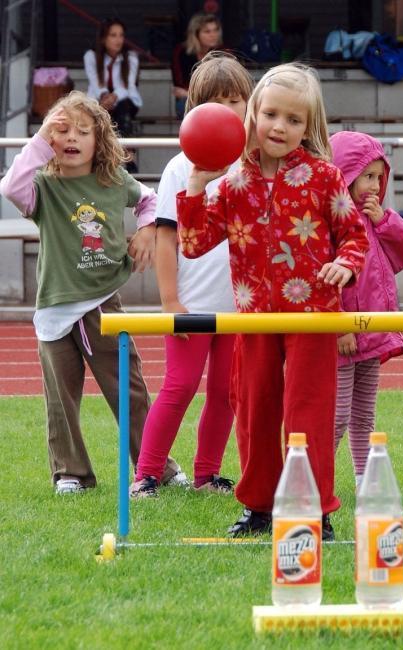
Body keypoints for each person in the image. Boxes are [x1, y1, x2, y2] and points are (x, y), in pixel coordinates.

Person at [176, 63, 370, 539]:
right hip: (256, 317)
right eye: (271, 115)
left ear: (309, 127)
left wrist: (345, 264)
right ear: (253, 115)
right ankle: (260, 506)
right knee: (255, 411)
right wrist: (197, 187)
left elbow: (354, 235)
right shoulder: (232, 183)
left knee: (309, 414)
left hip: (314, 318)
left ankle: (316, 510)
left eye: (294, 120)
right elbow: (194, 243)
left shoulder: (324, 177)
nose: (280, 127)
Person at [0, 91, 183, 494]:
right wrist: (40, 140)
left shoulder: (113, 180)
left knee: (129, 388)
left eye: (83, 131)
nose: (72, 138)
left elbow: (150, 199)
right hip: (54, 308)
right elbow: (11, 186)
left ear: (99, 140)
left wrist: (148, 229)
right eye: (62, 130)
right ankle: (72, 473)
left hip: (104, 303)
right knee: (60, 400)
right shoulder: (42, 187)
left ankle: (157, 468)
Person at [129, 52, 254, 499]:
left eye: (235, 100)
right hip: (191, 304)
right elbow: (167, 237)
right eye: (216, 100)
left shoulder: (255, 163)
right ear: (196, 108)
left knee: (225, 393)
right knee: (179, 387)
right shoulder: (180, 167)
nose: (226, 109)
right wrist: (169, 301)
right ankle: (146, 473)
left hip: (240, 305)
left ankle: (207, 474)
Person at [330, 131, 403, 488]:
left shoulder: (376, 217)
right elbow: (323, 277)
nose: (373, 185)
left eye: (378, 178)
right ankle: (315, 478)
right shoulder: (333, 222)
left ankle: (366, 481)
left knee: (364, 416)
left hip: (373, 333)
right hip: (344, 336)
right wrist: (339, 326)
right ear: (344, 176)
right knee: (336, 416)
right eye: (366, 177)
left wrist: (384, 219)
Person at [84, 18, 141, 172]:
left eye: (121, 35)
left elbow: (127, 87)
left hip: (125, 101)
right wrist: (104, 97)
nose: (118, 40)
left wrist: (113, 97)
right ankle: (96, 161)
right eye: (113, 35)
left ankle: (128, 158)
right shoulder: (91, 56)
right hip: (99, 101)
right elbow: (95, 83)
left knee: (122, 109)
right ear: (103, 38)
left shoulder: (131, 58)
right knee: (98, 113)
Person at [171, 13, 223, 119]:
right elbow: (179, 86)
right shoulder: (181, 52)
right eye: (207, 31)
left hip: (216, 99)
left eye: (215, 30)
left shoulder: (222, 53)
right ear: (196, 34)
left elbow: (224, 85)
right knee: (184, 105)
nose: (213, 35)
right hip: (189, 100)